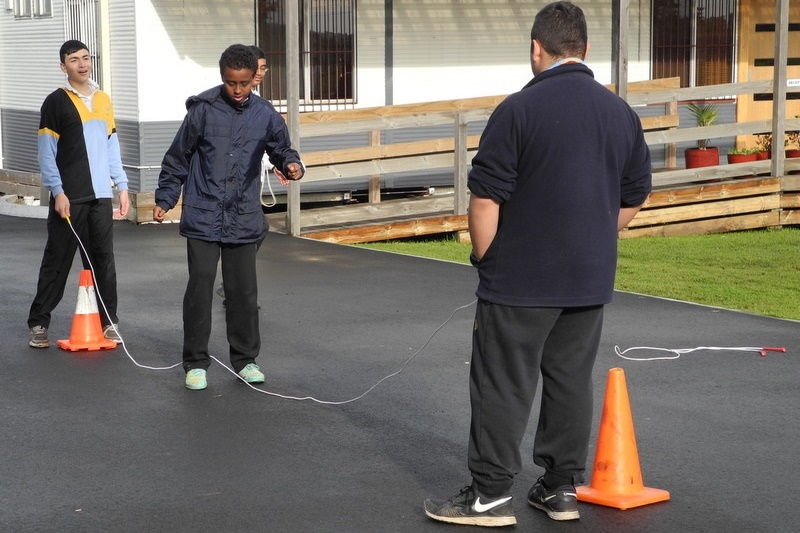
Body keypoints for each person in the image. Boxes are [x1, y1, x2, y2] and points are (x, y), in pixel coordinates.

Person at [423, 2, 652, 527]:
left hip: (521, 278)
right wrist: (598, 236)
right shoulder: (619, 112)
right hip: (587, 278)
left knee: (503, 382)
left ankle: (489, 496)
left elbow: (484, 200)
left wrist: (486, 256)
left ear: (535, 49)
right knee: (570, 380)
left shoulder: (517, 110)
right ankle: (559, 488)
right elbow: (636, 192)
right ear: (585, 50)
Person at [153, 44, 304, 391]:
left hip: (243, 214)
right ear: (222, 77)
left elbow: (282, 149)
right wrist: (165, 198)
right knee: (200, 288)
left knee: (243, 293)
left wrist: (291, 164)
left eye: (244, 83)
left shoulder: (265, 114)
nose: (237, 90)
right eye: (231, 82)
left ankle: (246, 360)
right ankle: (195, 362)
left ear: (255, 79)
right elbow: (177, 158)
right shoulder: (203, 110)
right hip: (203, 214)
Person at [28, 40, 130, 349]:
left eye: (86, 58)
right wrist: (57, 192)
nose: (82, 64)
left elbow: (112, 147)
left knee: (103, 261)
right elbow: (47, 154)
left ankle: (108, 322)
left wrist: (122, 186)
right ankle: (39, 322)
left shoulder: (103, 99)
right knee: (57, 260)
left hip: (100, 196)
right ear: (64, 67)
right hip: (70, 198)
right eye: (74, 60)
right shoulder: (55, 103)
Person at [216, 45, 289, 305]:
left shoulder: (258, 106)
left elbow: (261, 143)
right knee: (244, 232)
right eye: (258, 67)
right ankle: (234, 287)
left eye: (264, 68)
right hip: (224, 190)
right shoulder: (224, 100)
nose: (261, 73)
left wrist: (276, 164)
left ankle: (233, 286)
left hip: (246, 186)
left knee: (256, 229)